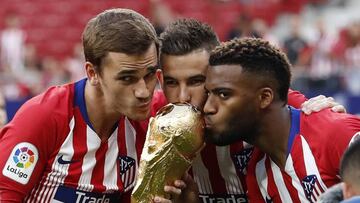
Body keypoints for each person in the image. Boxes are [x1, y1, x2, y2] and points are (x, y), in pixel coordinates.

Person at [150, 19, 346, 203]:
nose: (183, 97)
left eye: (196, 81)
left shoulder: (264, 102)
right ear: (160, 81)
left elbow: (322, 122)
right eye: (172, 82)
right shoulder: (151, 116)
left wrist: (328, 114)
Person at [0, 8, 159, 202]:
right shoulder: (44, 116)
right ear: (92, 73)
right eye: (127, 78)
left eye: (150, 75)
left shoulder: (149, 126)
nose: (143, 92)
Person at [203, 37, 360, 203]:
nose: (208, 107)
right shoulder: (257, 176)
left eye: (223, 94)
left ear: (264, 97)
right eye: (208, 94)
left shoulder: (333, 132)